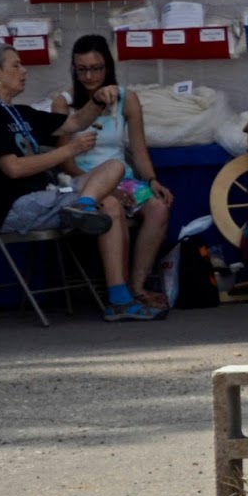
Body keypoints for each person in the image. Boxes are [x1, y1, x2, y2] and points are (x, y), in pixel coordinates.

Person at [0, 42, 158, 321]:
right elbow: (14, 169)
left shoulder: (19, 112)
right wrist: (68, 151)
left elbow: (74, 123)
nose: (25, 70)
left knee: (115, 166)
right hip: (14, 207)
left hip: (47, 195)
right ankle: (119, 299)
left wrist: (99, 100)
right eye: (16, 65)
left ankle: (83, 206)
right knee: (111, 205)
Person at [50, 34, 174, 311]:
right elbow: (64, 161)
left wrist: (152, 180)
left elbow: (139, 151)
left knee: (158, 208)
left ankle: (137, 287)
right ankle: (117, 296)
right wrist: (108, 187)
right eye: (81, 69)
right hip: (83, 178)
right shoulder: (64, 103)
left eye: (96, 68)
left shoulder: (126, 99)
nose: (89, 76)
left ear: (108, 67)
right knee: (111, 204)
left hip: (124, 177)